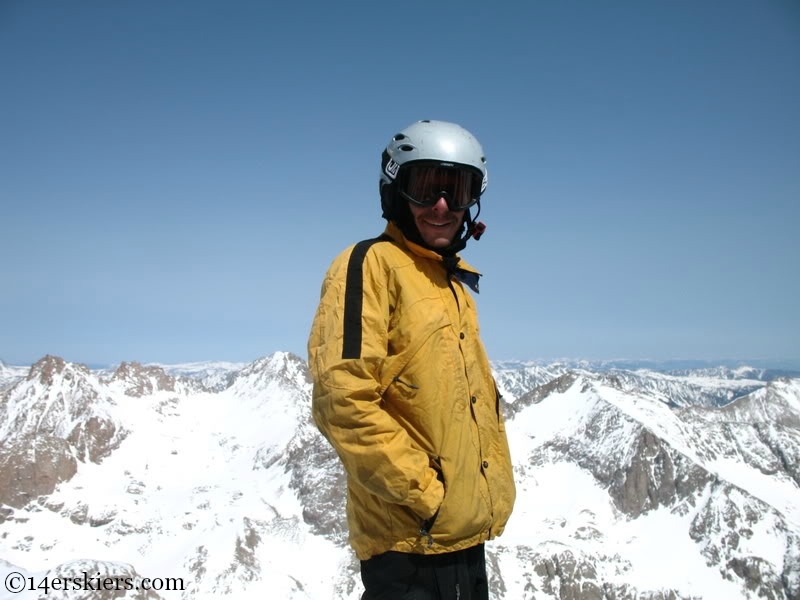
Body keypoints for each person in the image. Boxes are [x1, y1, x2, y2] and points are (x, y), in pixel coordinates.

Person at [308, 119, 515, 600]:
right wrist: (426, 495)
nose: (442, 206)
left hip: (460, 536)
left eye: (457, 190)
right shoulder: (370, 265)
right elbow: (343, 401)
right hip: (410, 547)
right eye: (426, 187)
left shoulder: (450, 284)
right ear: (396, 191)